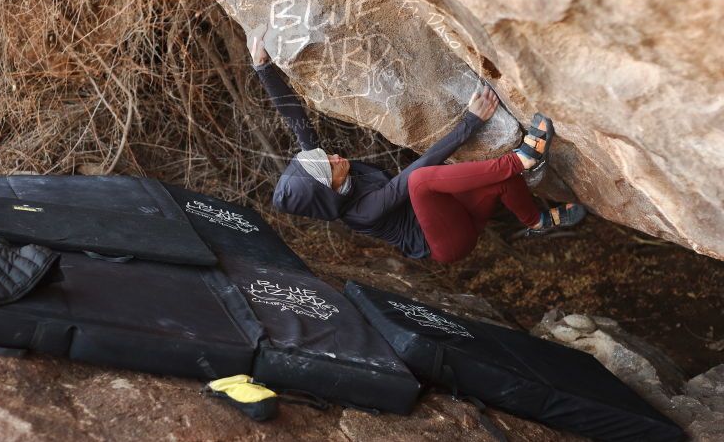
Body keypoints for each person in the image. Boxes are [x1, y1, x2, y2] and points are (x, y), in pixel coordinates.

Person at [249, 25, 586, 263]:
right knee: (420, 181)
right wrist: (471, 121)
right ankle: (522, 160)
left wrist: (262, 68)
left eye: (327, 156)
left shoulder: (339, 177)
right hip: (448, 242)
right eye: (329, 166)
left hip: (452, 213)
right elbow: (417, 173)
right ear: (327, 191)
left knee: (495, 179)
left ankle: (535, 221)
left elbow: (298, 122)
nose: (335, 156)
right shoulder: (362, 213)